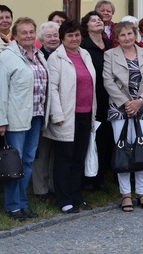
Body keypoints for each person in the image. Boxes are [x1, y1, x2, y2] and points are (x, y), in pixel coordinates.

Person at [0, 17, 49, 221]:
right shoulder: (6, 57)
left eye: (31, 32)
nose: (28, 35)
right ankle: (13, 206)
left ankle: (23, 203)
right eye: (23, 32)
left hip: (35, 116)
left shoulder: (39, 55)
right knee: (13, 164)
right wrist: (0, 121)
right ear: (14, 36)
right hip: (15, 118)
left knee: (28, 162)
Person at [103, 21, 143, 211]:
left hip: (142, 106)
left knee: (142, 148)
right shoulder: (110, 55)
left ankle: (142, 192)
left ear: (135, 35)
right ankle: (125, 194)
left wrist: (140, 101)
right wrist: (126, 103)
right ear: (117, 38)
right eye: (122, 35)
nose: (127, 38)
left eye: (130, 34)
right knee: (123, 150)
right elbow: (108, 81)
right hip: (120, 108)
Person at [43, 21, 97, 213]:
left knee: (78, 158)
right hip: (66, 116)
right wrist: (56, 114)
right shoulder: (56, 58)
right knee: (64, 159)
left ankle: (76, 195)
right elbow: (53, 89)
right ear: (62, 39)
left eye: (77, 35)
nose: (74, 39)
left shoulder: (85, 54)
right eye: (69, 36)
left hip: (85, 114)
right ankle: (64, 199)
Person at [79, 11, 113, 191]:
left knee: (106, 139)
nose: (98, 21)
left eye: (99, 19)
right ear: (86, 26)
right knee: (92, 139)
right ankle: (88, 179)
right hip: (92, 98)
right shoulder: (84, 47)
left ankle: (101, 177)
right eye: (93, 20)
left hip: (110, 98)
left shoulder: (108, 44)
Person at [32, 21, 60, 200]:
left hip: (62, 109)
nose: (52, 39)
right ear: (41, 39)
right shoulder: (37, 56)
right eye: (48, 36)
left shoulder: (64, 55)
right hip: (42, 109)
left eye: (55, 35)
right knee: (42, 151)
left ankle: (54, 186)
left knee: (57, 152)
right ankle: (40, 189)